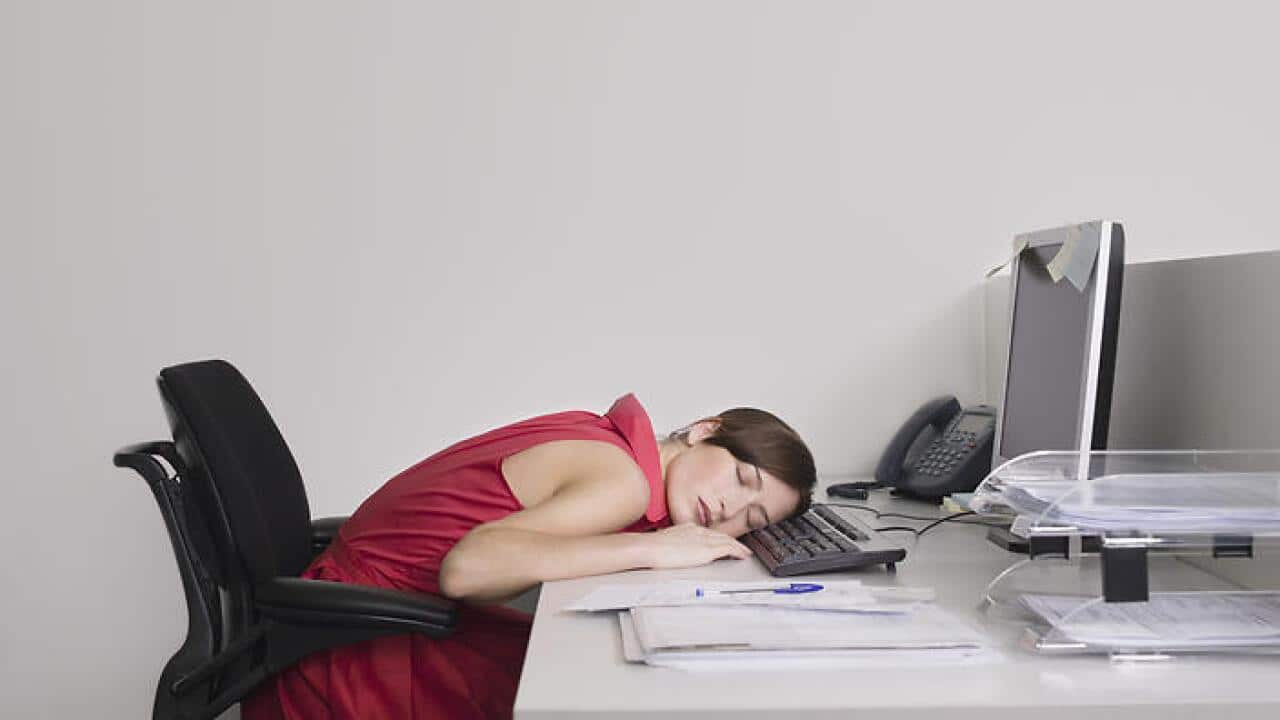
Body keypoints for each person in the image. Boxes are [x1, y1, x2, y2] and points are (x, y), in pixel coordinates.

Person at [244, 393, 816, 720]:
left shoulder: (609, 438)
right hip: (355, 659)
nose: (730, 511)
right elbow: (467, 567)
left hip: (348, 621)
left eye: (754, 521)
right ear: (703, 430)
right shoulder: (624, 481)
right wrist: (655, 547)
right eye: (743, 479)